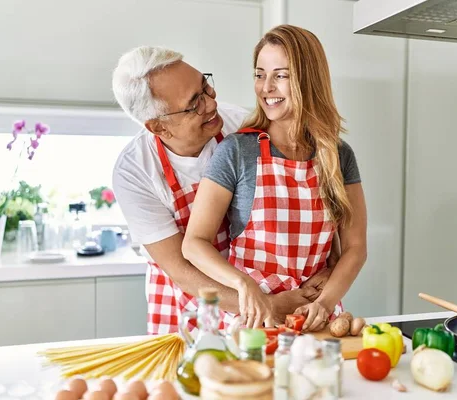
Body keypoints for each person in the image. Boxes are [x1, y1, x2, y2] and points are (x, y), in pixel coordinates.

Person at [111, 45, 331, 335]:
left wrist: (328, 267)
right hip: (187, 299)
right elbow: (180, 268)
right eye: (194, 104)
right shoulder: (135, 172)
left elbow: (300, 202)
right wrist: (265, 303)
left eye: (206, 87)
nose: (211, 105)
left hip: (256, 290)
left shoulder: (239, 126)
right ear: (159, 127)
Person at [182, 25, 368, 332]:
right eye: (259, 74)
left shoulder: (337, 155)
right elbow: (193, 244)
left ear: (308, 81)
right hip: (254, 320)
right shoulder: (237, 151)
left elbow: (356, 247)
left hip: (314, 318)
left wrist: (323, 304)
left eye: (280, 75)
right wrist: (243, 285)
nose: (266, 86)